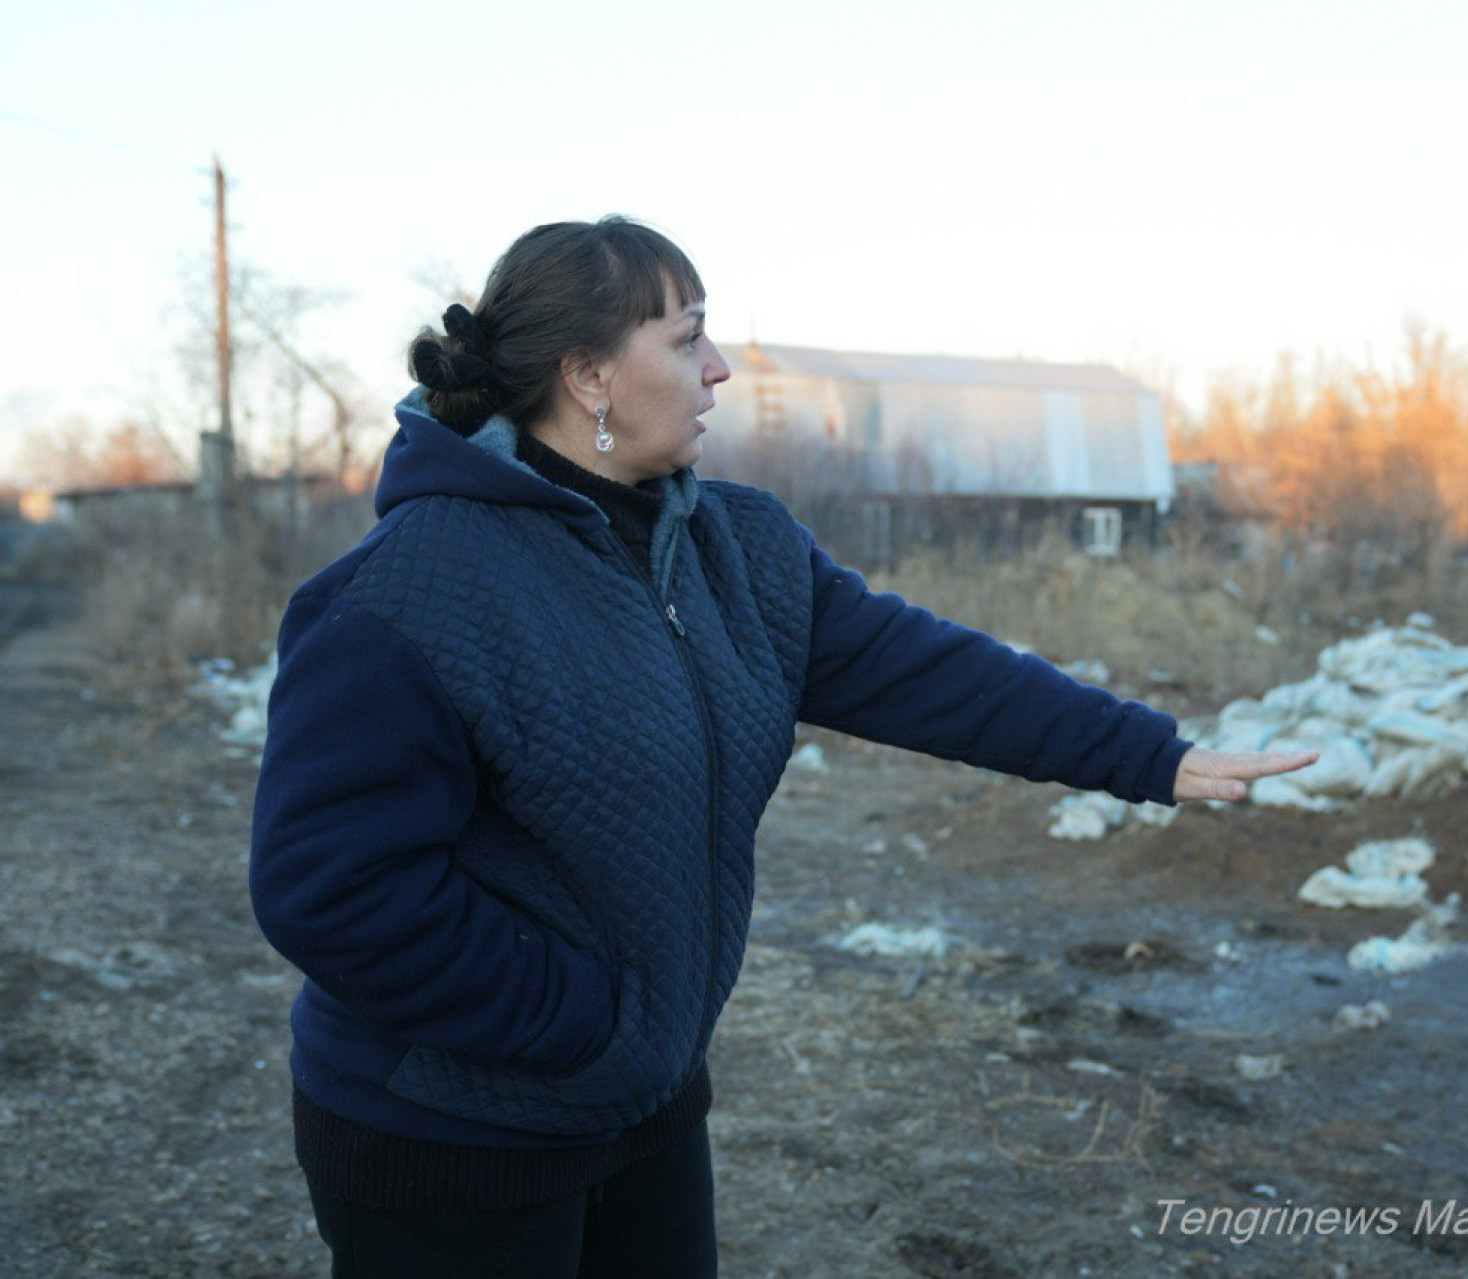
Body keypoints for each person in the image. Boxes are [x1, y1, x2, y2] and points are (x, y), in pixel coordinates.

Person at [249, 215, 1317, 1277]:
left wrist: (1146, 754)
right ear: (589, 375)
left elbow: (930, 674)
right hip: (450, 1136)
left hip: (646, 1108)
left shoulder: (736, 548)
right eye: (685, 339)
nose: (717, 370)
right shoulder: (407, 593)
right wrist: (584, 1019)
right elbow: (330, 888)